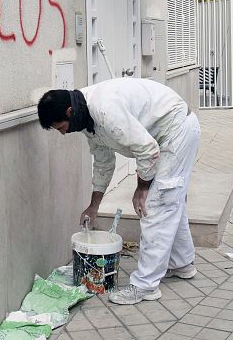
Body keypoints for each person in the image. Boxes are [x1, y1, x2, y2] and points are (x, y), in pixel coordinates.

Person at [37, 78, 201, 305]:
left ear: (69, 112)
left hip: (175, 132)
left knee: (157, 205)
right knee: (171, 202)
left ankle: (145, 286)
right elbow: (104, 163)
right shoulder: (86, 117)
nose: (63, 134)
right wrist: (94, 206)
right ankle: (182, 264)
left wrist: (141, 188)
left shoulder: (104, 110)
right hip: (166, 133)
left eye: (61, 128)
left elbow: (148, 150)